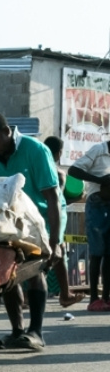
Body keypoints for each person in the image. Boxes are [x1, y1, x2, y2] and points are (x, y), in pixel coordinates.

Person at [0, 112, 83, 351]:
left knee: (34, 268)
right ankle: (17, 331)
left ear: (7, 131)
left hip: (43, 218)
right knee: (7, 272)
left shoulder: (35, 150)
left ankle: (36, 332)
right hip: (11, 220)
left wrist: (55, 241)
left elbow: (53, 197)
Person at [67, 133, 110, 312]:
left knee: (109, 253)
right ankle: (94, 298)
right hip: (97, 202)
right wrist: (100, 180)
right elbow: (73, 170)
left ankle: (106, 297)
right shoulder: (99, 150)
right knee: (97, 252)